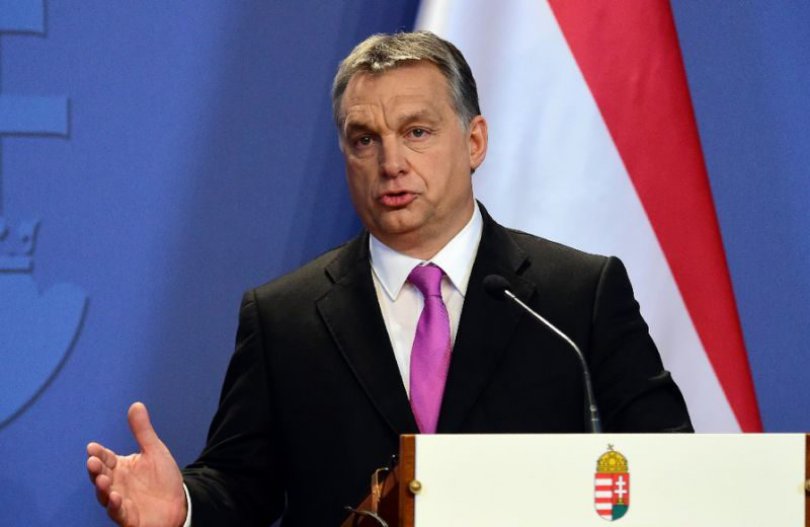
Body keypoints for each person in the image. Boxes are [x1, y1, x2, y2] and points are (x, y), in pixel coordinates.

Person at [87, 31, 692, 526]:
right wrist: (183, 507)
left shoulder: (577, 298)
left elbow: (670, 465)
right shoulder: (284, 318)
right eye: (364, 140)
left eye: (416, 132)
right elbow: (242, 483)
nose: (391, 162)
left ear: (474, 141)